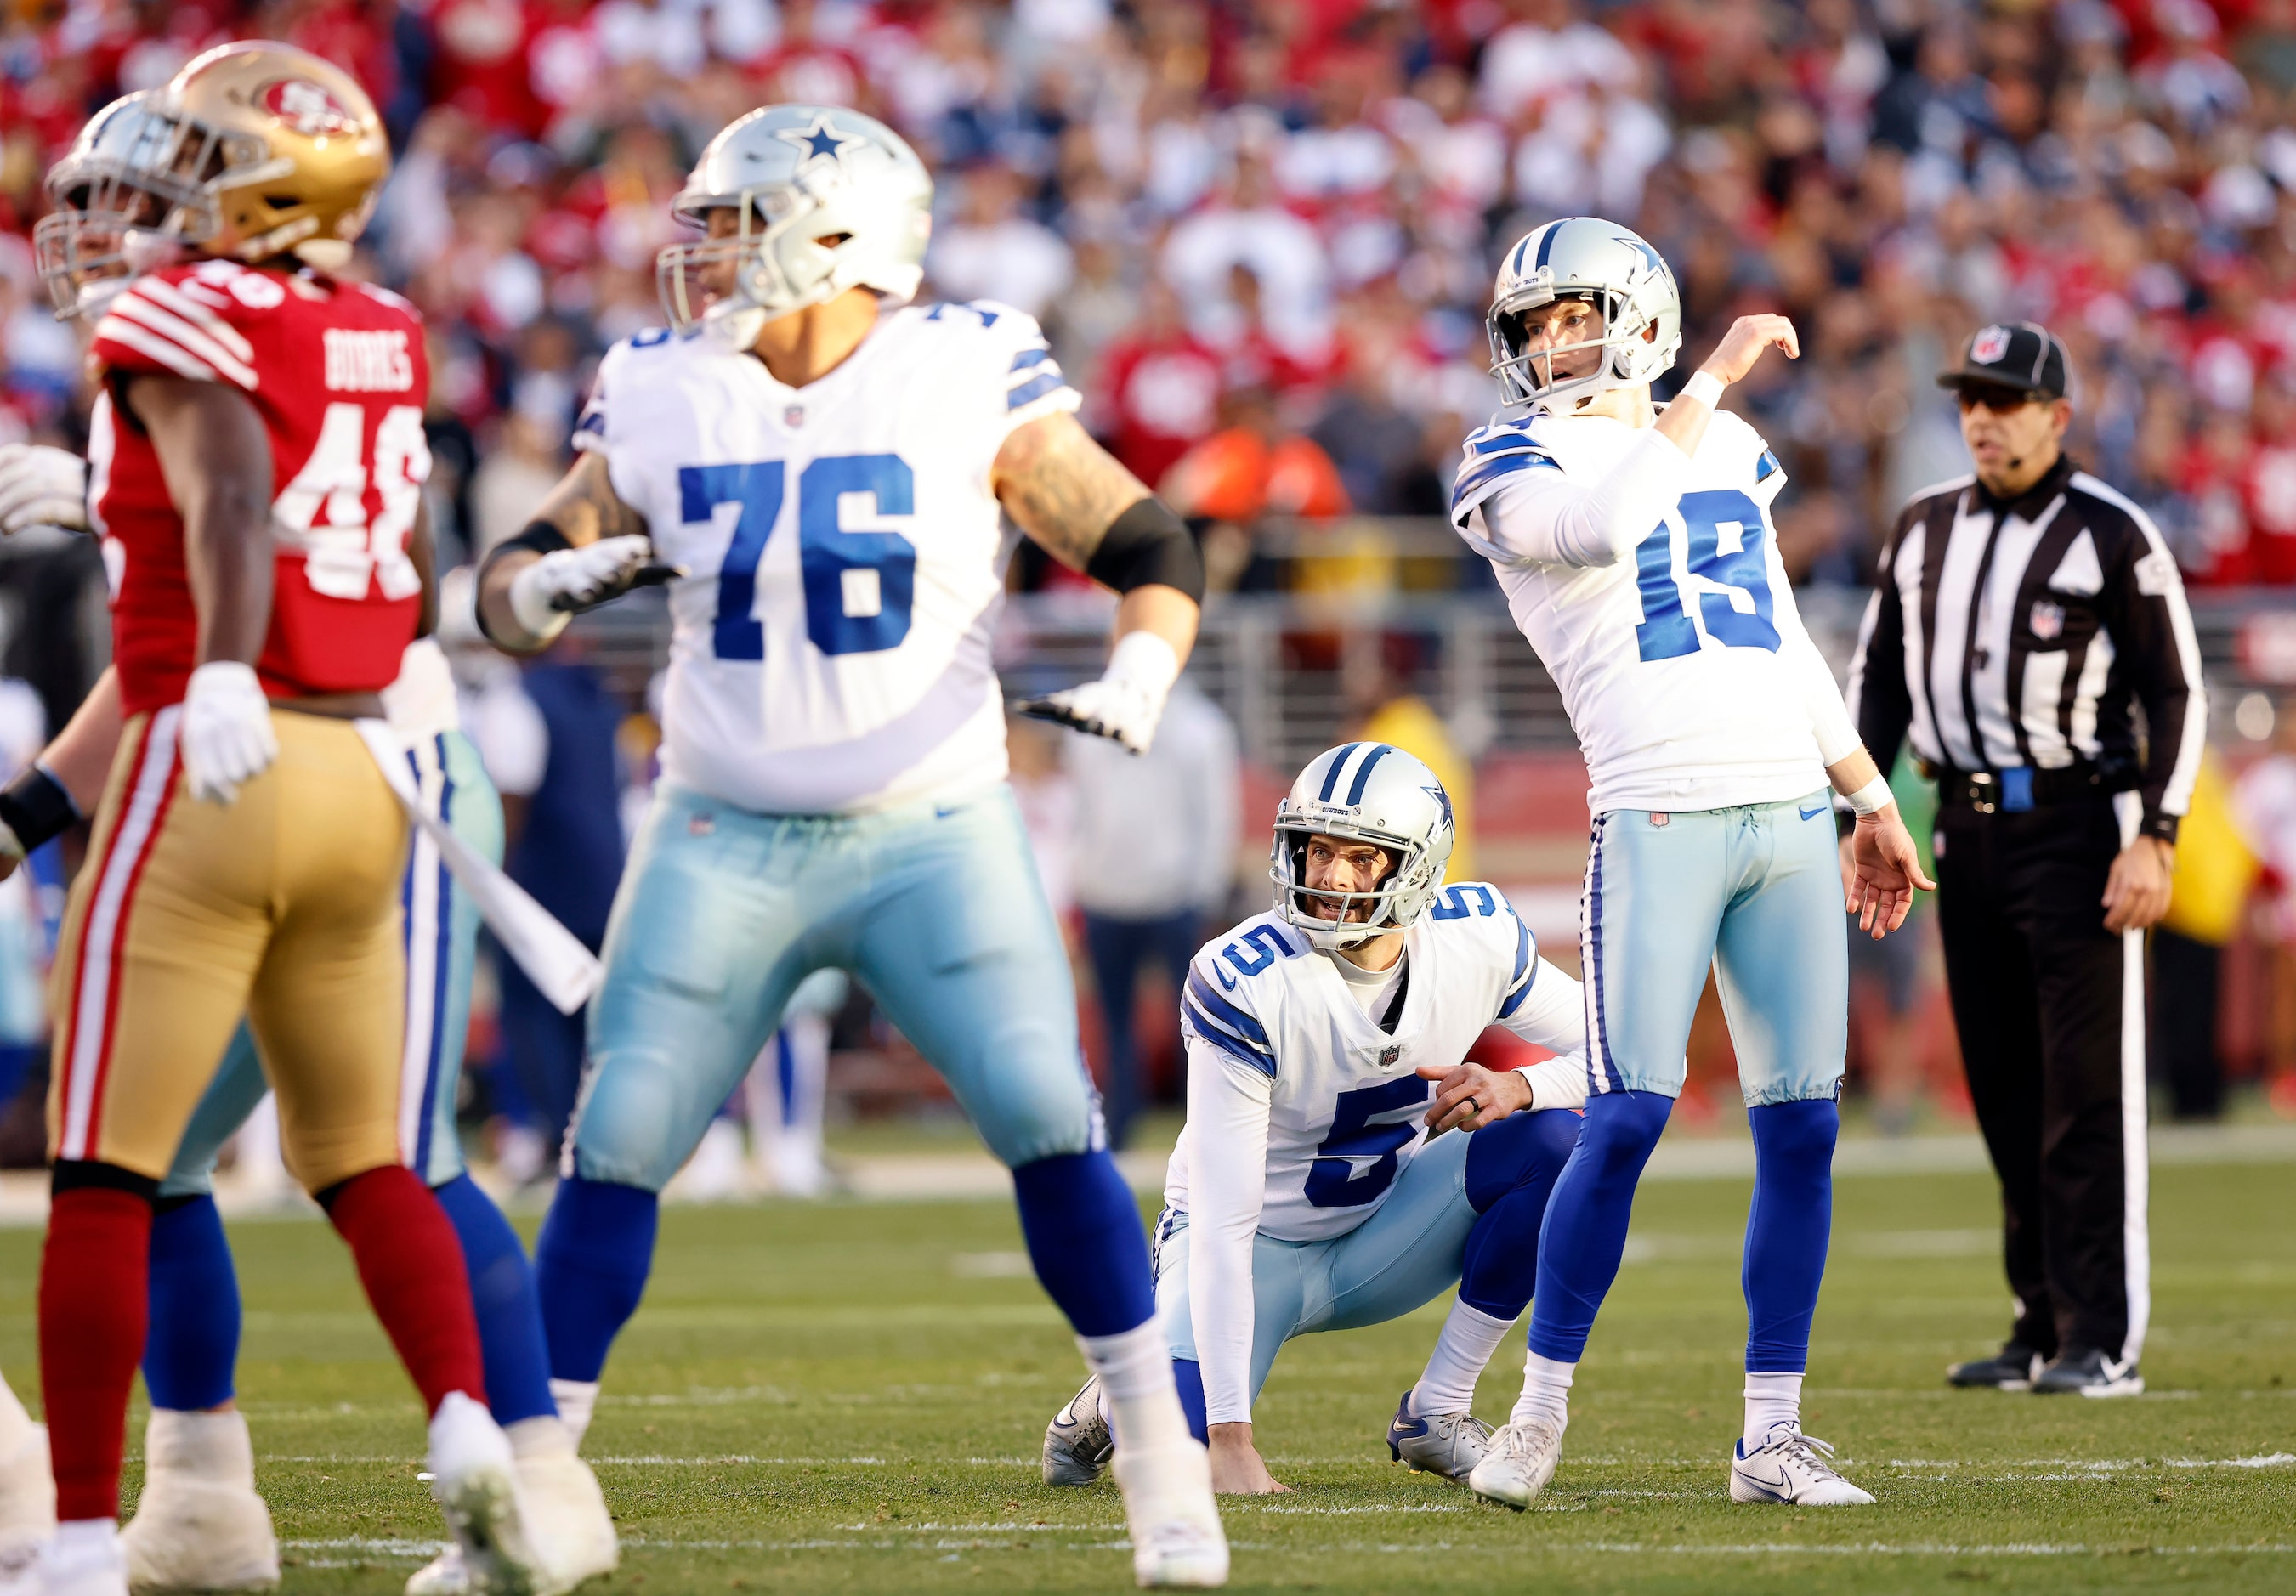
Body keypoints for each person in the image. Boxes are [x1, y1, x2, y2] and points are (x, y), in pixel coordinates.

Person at [473, 105, 1227, 1587]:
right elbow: (507, 584)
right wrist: (540, 588)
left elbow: (1147, 545)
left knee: (1043, 1109)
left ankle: (1160, 1459)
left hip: (929, 822)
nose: (701, 254)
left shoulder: (961, 366)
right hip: (718, 824)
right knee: (615, 1143)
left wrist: (1143, 670)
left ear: (833, 236)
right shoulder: (659, 388)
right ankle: (541, 1496)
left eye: (734, 223)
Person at [20, 44, 548, 1596]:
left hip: (214, 757)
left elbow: (237, 492)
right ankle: (469, 1441)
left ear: (254, 181)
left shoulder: (172, 315)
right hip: (361, 769)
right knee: (364, 1157)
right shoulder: (378, 324)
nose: (141, 212)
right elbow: (377, 534)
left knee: (109, 1170)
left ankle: (65, 1542)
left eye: (178, 170)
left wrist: (224, 667)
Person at [1447, 216, 1930, 1509]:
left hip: (1784, 812)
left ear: (1637, 316)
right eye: (1535, 323)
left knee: (1804, 1131)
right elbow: (1605, 526)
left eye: (1575, 314)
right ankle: (1536, 1416)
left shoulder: (1726, 448)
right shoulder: (1510, 453)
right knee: (1624, 1120)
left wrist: (1867, 794)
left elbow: (1774, 635)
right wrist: (1708, 379)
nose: (1554, 342)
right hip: (1656, 813)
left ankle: (1768, 1436)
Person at [1040, 745, 1590, 1494]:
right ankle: (1110, 1399)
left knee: (1556, 1140)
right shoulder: (1243, 979)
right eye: (1317, 849)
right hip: (1248, 1246)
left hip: (1380, 1228)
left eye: (1362, 857)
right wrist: (1231, 1441)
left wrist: (1522, 1086)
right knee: (1174, 1443)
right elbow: (1227, 1221)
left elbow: (1627, 1056)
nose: (1330, 877)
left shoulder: (1478, 937)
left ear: (1418, 868)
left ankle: (1438, 1412)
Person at [1847, 320, 2204, 1398]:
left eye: (2005, 401)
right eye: (1969, 400)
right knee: (2002, 1083)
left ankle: (2101, 1336)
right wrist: (1859, 813)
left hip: (2079, 827)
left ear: (2056, 414)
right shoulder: (1920, 531)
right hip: (1963, 832)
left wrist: (2158, 832)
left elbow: (2173, 690)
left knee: (2082, 1090)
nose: (1982, 419)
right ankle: (2035, 1321)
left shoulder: (2113, 532)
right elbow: (1874, 687)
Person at [1067, 676, 1239, 1149]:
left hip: (1170, 896)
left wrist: (1205, 889)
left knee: (1198, 1024)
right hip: (1111, 892)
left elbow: (1215, 814)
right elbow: (1080, 809)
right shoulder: (1095, 720)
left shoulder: (1199, 726)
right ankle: (1122, 1129)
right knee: (1118, 1021)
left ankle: (1203, 1129)